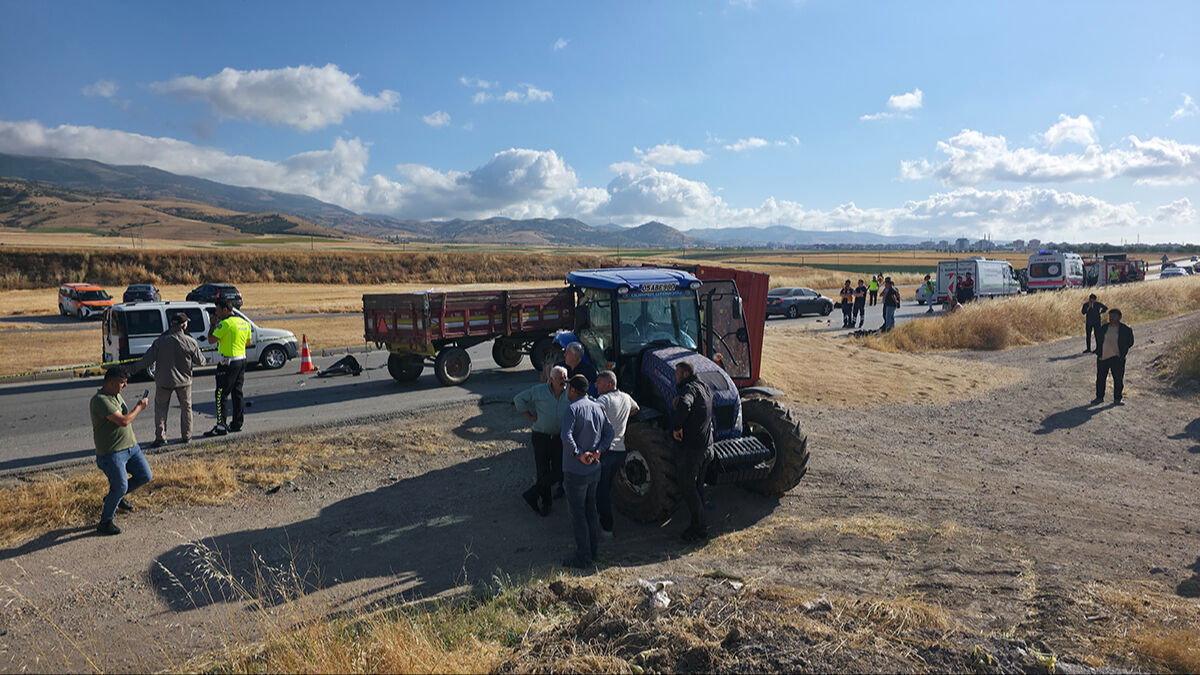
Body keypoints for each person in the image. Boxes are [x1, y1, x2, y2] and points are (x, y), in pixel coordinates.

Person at [90, 367, 153, 535]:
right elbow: (124, 421)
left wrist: (133, 440)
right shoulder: (100, 400)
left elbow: (127, 424)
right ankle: (105, 522)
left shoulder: (115, 395)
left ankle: (115, 497)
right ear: (111, 382)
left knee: (145, 475)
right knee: (120, 485)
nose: (125, 385)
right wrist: (139, 407)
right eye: (122, 382)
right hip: (112, 453)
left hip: (131, 448)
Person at [560, 375, 614, 568]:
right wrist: (600, 450)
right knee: (591, 510)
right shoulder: (597, 407)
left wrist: (579, 454)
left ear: (573, 390)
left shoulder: (572, 409)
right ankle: (594, 551)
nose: (567, 391)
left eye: (568, 388)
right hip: (594, 469)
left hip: (576, 470)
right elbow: (610, 432)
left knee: (578, 514)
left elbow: (566, 436)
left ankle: (583, 556)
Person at [133, 313, 206, 448]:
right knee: (186, 409)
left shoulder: (160, 341)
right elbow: (201, 362)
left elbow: (146, 360)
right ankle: (187, 436)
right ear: (184, 325)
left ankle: (161, 438)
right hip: (184, 382)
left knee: (160, 410)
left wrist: (131, 370)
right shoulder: (190, 341)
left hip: (163, 381)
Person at [513, 365, 569, 516]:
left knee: (559, 470)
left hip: (559, 438)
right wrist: (530, 416)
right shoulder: (539, 390)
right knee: (542, 471)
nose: (563, 381)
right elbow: (519, 399)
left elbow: (586, 399)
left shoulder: (570, 391)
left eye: (565, 377)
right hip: (541, 437)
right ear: (551, 379)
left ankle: (533, 493)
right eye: (560, 378)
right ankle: (546, 503)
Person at [672, 361, 713, 542]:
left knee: (688, 488)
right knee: (698, 488)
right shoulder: (704, 386)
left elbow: (685, 405)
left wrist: (677, 427)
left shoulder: (688, 389)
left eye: (677, 373)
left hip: (693, 449)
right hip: (708, 446)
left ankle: (699, 529)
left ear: (686, 374)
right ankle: (700, 524)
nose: (675, 377)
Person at [595, 370, 639, 539]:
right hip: (620, 452)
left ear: (609, 384)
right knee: (608, 488)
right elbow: (636, 409)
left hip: (605, 452)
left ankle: (606, 529)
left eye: (599, 382)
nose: (596, 385)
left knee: (601, 491)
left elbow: (591, 417)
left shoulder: (603, 400)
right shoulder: (626, 397)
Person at [205, 301, 252, 437]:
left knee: (221, 394)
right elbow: (248, 342)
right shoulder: (244, 322)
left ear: (225, 309)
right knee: (237, 392)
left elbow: (211, 340)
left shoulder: (225, 324)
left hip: (228, 362)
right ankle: (237, 423)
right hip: (241, 359)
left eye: (218, 310)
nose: (216, 313)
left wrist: (213, 324)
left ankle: (221, 426)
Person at [1092, 308, 1134, 406]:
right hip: (1103, 357)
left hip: (1117, 358)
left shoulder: (1126, 329)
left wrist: (1122, 352)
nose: (1111, 318)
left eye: (1114, 316)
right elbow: (1098, 339)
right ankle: (1099, 397)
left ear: (1119, 317)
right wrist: (1099, 352)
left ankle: (1117, 399)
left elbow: (1130, 342)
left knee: (1118, 379)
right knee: (1100, 379)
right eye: (1110, 316)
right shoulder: (1104, 328)